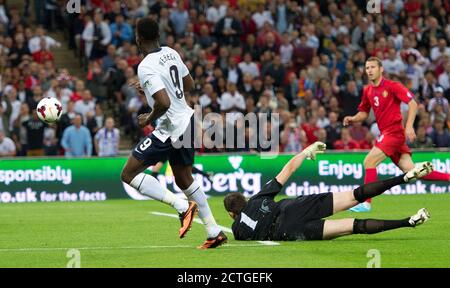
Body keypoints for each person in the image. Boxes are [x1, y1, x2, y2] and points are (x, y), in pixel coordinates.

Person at [120, 18, 226, 249]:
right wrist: (150, 88)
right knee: (184, 179)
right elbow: (189, 85)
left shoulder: (146, 66)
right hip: (187, 120)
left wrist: (147, 118)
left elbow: (164, 103)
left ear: (138, 38)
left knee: (128, 174)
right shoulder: (171, 52)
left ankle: (181, 206)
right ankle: (214, 231)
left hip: (170, 129)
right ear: (158, 34)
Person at [224, 142, 433, 241]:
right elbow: (287, 170)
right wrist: (305, 152)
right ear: (246, 198)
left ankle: (408, 222)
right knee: (355, 195)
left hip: (287, 231)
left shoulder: (236, 230)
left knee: (354, 226)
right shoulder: (257, 198)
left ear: (232, 214)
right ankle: (403, 177)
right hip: (294, 208)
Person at [343, 57, 450, 212]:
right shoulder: (368, 90)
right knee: (411, 170)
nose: (370, 70)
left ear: (381, 69)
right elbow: (364, 113)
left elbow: (413, 103)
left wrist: (409, 127)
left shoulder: (392, 86)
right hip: (388, 135)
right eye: (367, 68)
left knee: (369, 162)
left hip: (393, 133)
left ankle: (366, 203)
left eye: (373, 67)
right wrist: (353, 118)